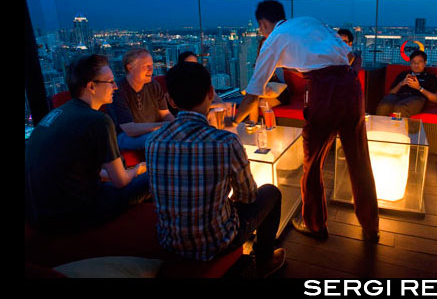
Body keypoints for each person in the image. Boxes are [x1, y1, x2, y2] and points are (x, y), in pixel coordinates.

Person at [233, 0, 380, 242]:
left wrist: (232, 121)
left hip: (323, 91)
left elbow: (253, 94)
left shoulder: (273, 40)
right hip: (352, 87)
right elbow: (352, 57)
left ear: (262, 24)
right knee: (359, 157)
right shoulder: (309, 22)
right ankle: (371, 225)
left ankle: (315, 224)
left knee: (312, 162)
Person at [146, 61, 286, 277]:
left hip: (169, 241)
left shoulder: (153, 140)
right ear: (211, 93)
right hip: (217, 242)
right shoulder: (225, 141)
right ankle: (264, 260)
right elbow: (248, 196)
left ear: (171, 100)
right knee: (271, 193)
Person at [25, 54, 151, 233]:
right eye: (110, 82)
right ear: (92, 86)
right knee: (158, 174)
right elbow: (121, 181)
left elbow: (70, 167)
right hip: (70, 215)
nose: (115, 87)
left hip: (38, 214)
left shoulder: (58, 113)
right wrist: (139, 168)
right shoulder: (98, 120)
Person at [107, 48, 175, 151]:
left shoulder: (154, 85)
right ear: (130, 68)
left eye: (151, 66)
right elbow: (129, 130)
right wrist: (164, 126)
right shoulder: (118, 90)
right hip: (124, 136)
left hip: (154, 132)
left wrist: (177, 127)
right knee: (157, 139)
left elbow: (165, 114)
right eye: (146, 66)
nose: (151, 70)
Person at [375, 50, 437, 117]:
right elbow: (391, 92)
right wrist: (401, 83)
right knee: (384, 105)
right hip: (399, 96)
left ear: (425, 63)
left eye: (419, 62)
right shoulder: (403, 74)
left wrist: (419, 88)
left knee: (401, 107)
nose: (416, 65)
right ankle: (378, 126)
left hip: (417, 98)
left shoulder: (430, 77)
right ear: (410, 63)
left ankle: (400, 127)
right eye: (413, 62)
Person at [247, 36, 291, 124]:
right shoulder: (258, 63)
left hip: (280, 92)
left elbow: (280, 80)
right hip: (265, 92)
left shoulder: (278, 61)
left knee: (263, 103)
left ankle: (270, 129)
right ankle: (253, 126)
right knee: (253, 101)